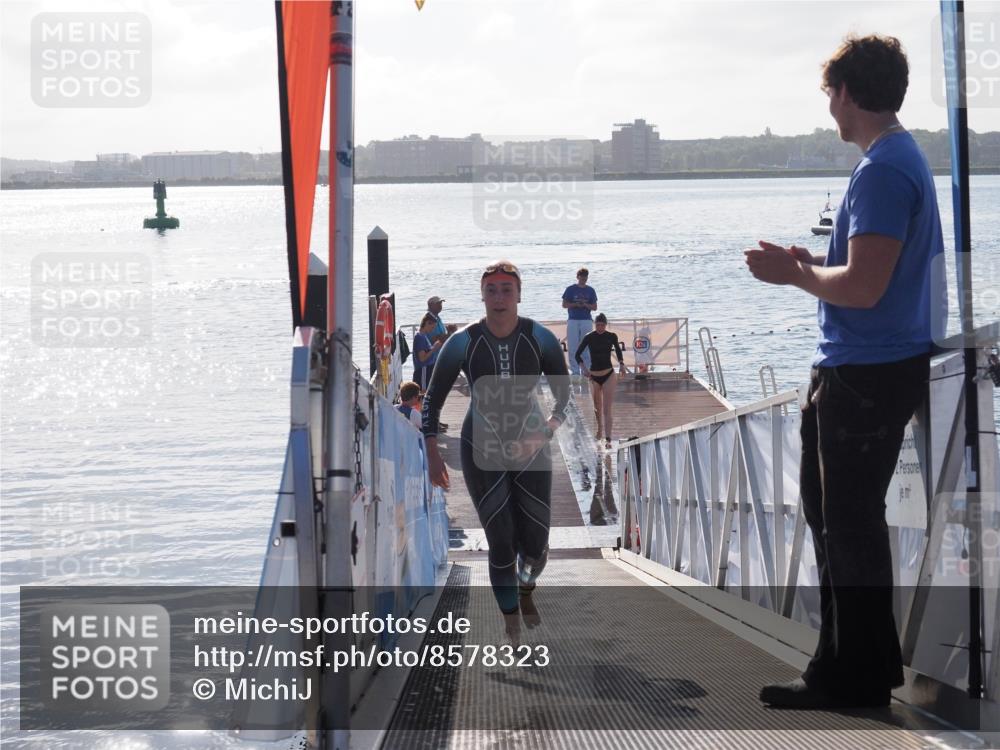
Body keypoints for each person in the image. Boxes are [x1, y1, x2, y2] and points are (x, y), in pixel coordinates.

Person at [745, 34, 945, 710]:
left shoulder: (884, 170)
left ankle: (852, 677)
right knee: (837, 521)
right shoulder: (893, 160)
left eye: (830, 91)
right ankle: (850, 666)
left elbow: (863, 288)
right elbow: (869, 274)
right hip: (869, 368)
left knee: (849, 526)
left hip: (867, 373)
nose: (828, 105)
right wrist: (812, 261)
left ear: (849, 93)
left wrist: (794, 274)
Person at [423, 260, 570, 639]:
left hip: (531, 444)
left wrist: (543, 434)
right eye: (491, 289)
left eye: (507, 289)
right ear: (482, 295)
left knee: (535, 545)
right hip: (481, 447)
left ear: (519, 295)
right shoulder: (462, 342)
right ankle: (510, 623)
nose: (499, 297)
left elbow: (564, 399)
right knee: (501, 540)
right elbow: (431, 402)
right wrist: (433, 453)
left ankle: (526, 589)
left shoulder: (540, 338)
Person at [575, 313, 628, 449]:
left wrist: (621, 364)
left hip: (608, 374)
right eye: (598, 325)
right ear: (595, 324)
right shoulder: (589, 337)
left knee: (607, 408)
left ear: (606, 325)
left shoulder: (611, 336)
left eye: (602, 325)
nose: (600, 327)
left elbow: (618, 350)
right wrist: (584, 369)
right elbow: (577, 354)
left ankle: (608, 438)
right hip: (594, 376)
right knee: (597, 409)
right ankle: (599, 430)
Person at [562, 268, 597, 376]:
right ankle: (575, 372)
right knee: (572, 347)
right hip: (573, 320)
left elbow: (595, 307)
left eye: (585, 277)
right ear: (578, 277)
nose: (584, 279)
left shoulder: (591, 290)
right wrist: (575, 305)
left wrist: (585, 305)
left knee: (586, 346)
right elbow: (564, 304)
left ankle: (586, 372)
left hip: (586, 320)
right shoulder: (570, 289)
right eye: (582, 277)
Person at [412, 313, 443, 392]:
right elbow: (422, 358)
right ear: (427, 323)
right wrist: (434, 348)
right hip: (423, 370)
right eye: (432, 327)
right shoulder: (420, 337)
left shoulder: (423, 336)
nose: (432, 330)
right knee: (423, 393)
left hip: (427, 370)